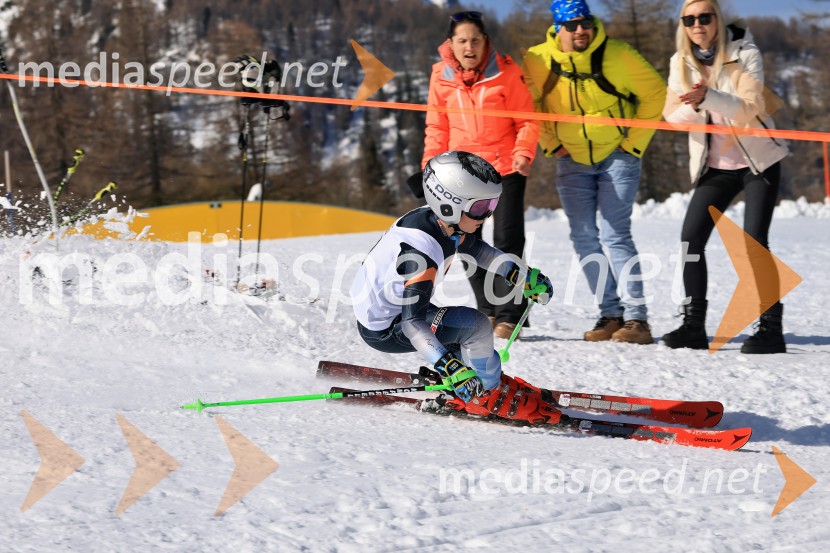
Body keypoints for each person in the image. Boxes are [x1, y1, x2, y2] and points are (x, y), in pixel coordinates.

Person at [352, 151, 560, 424]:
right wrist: (448, 366)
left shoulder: (441, 224)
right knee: (475, 326)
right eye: (480, 207)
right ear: (449, 205)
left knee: (462, 332)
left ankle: (482, 378)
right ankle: (487, 396)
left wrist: (521, 276)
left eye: (492, 204)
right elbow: (412, 324)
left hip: (395, 311)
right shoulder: (421, 255)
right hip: (386, 328)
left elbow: (480, 251)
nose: (487, 215)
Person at [523, 0, 666, 345]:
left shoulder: (619, 54)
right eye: (571, 25)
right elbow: (531, 105)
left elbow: (656, 93)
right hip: (571, 160)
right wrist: (552, 144)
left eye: (585, 22)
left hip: (619, 155)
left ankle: (637, 319)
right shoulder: (538, 59)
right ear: (557, 28)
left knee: (616, 234)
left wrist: (633, 144)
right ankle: (610, 314)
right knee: (584, 236)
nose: (581, 30)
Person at [661, 0, 789, 353]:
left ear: (717, 19)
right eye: (689, 19)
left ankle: (771, 329)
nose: (697, 25)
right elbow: (672, 117)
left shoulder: (744, 52)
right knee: (690, 240)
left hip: (758, 161)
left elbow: (752, 108)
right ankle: (693, 326)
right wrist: (695, 104)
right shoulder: (679, 61)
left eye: (705, 17)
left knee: (754, 242)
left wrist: (709, 97)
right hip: (716, 166)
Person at [418, 10, 540, 340]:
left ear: (485, 41)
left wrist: (523, 152)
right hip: (464, 174)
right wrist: (430, 166)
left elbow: (527, 120)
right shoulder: (440, 76)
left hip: (505, 167)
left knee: (507, 240)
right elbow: (437, 126)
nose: (468, 47)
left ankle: (511, 313)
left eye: (475, 40)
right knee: (465, 241)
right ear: (451, 43)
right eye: (462, 41)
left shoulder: (506, 72)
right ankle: (488, 308)